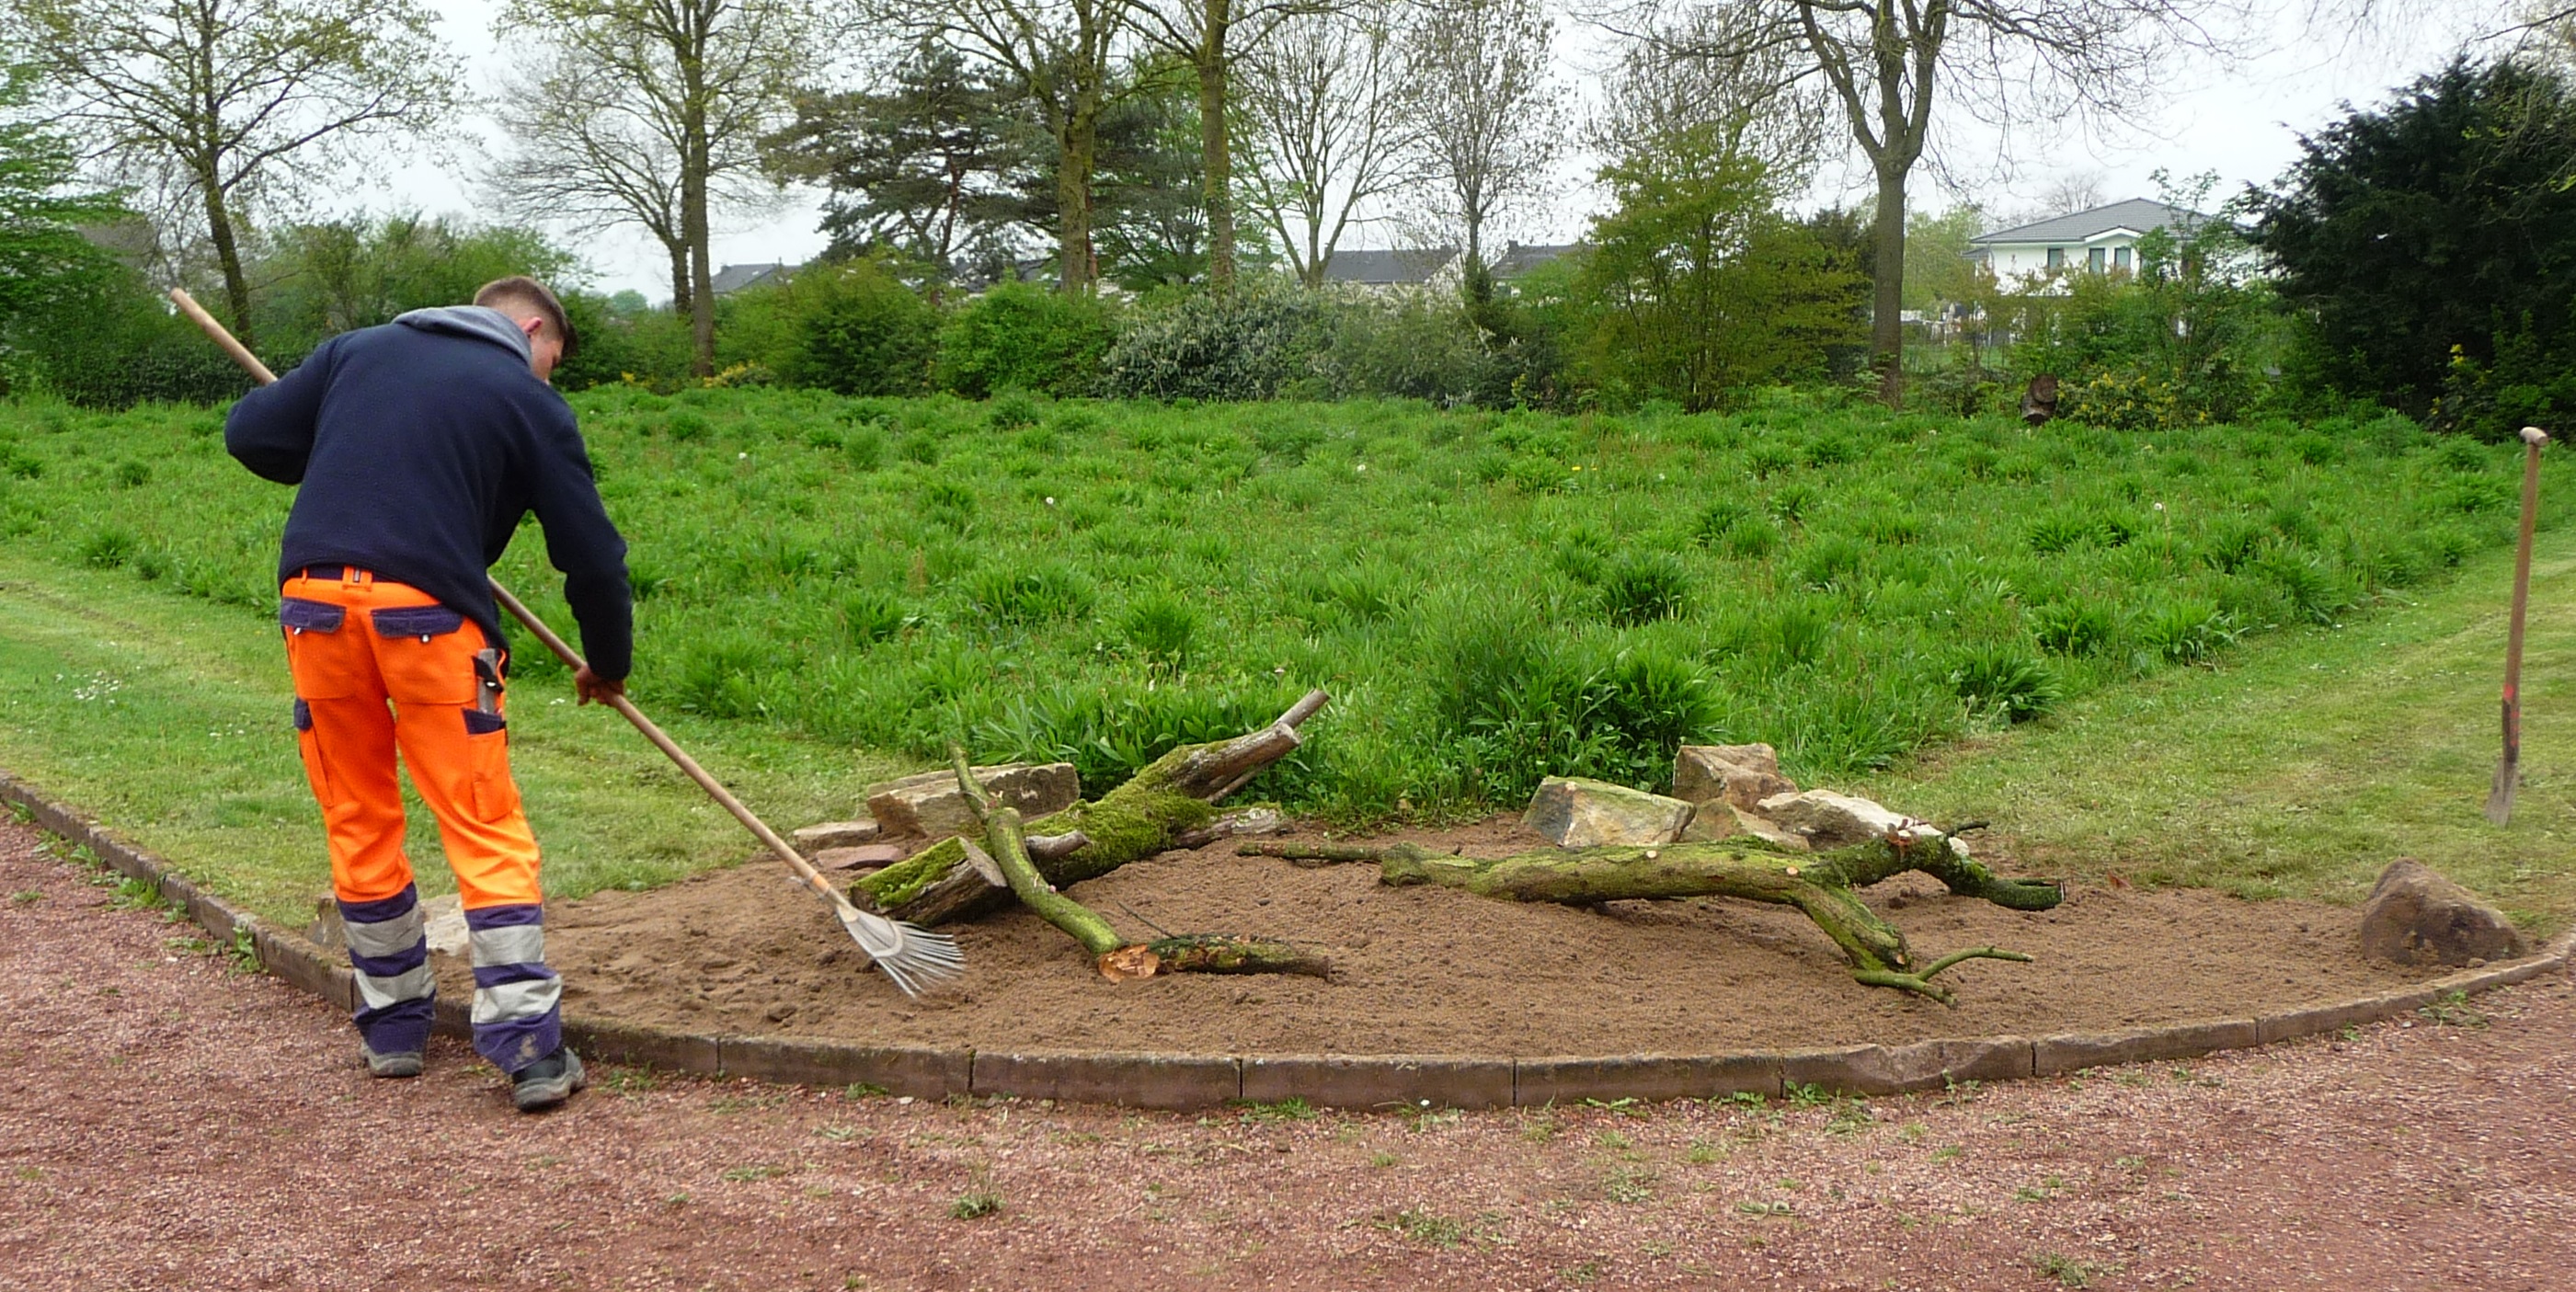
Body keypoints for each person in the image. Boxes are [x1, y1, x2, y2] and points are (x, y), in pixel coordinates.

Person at [224, 277, 630, 1113]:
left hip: (316, 608)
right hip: (428, 621)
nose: (547, 373)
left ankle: (392, 1026)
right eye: (550, 356)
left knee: (356, 808)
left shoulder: (358, 351)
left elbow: (250, 435)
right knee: (481, 819)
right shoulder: (525, 397)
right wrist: (608, 661)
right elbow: (591, 554)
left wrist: (345, 439)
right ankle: (527, 1047)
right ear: (527, 328)